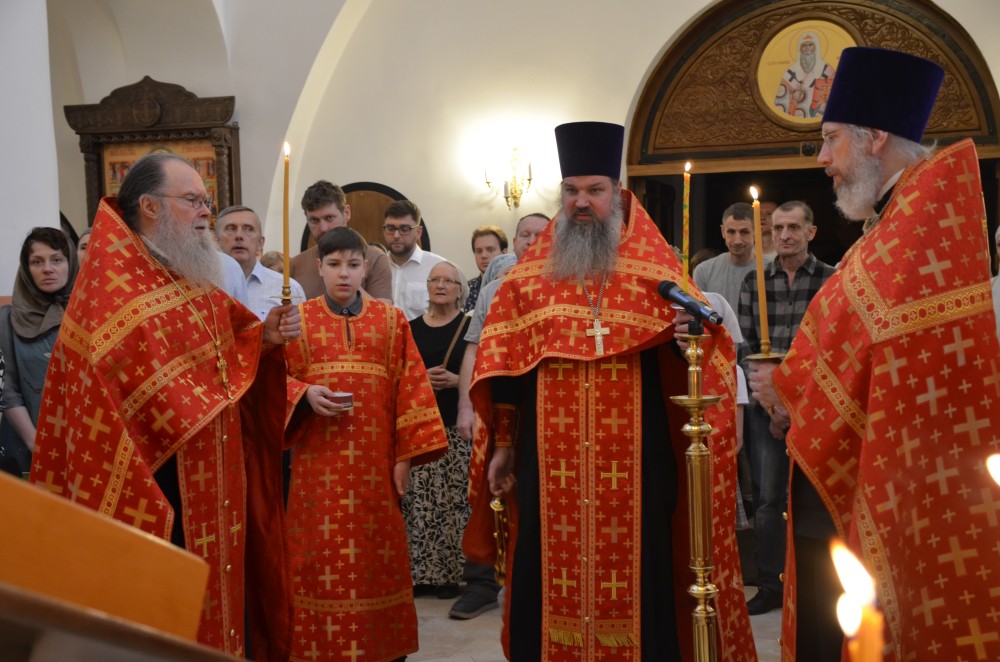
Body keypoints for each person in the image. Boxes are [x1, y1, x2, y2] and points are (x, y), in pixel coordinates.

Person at [466, 121, 755, 660]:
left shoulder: (656, 268)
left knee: (645, 560)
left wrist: (687, 340)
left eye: (594, 190)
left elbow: (702, 350)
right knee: (545, 561)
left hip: (639, 458)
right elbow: (506, 369)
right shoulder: (530, 279)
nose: (581, 202)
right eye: (571, 190)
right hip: (548, 461)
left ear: (617, 194)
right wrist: (503, 442)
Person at [749, 47, 1000, 662]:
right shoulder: (892, 227)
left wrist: (791, 389)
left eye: (830, 139)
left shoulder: (921, 229)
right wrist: (790, 388)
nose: (822, 159)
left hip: (879, 483)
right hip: (839, 472)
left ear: (876, 137)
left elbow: (891, 357)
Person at [29, 152, 299, 658]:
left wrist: (264, 338)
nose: (206, 212)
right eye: (193, 200)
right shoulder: (112, 292)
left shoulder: (184, 273)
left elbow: (222, 352)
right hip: (158, 487)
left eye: (206, 200)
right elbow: (105, 403)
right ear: (150, 207)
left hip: (215, 476)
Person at [283, 226, 448, 661]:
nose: (344, 274)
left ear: (365, 268)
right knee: (317, 558)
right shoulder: (298, 321)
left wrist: (405, 458)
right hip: (317, 470)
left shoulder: (391, 321)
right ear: (319, 267)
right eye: (334, 264)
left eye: (353, 265)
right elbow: (274, 383)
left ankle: (383, 650)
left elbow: (410, 388)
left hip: (376, 469)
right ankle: (320, 650)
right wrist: (303, 394)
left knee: (378, 558)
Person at [736, 200, 835, 615]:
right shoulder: (755, 281)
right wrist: (772, 404)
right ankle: (771, 583)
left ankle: (815, 582)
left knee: (815, 495)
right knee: (767, 497)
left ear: (811, 231)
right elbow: (746, 348)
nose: (784, 235)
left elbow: (832, 349)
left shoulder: (831, 279)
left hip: (815, 408)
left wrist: (794, 405)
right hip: (765, 408)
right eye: (777, 228)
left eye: (793, 227)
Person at [450, 214, 548, 621]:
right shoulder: (493, 289)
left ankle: (539, 579)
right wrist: (466, 405)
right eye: (524, 234)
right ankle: (482, 582)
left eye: (540, 234)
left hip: (546, 405)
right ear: (515, 242)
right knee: (486, 488)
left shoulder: (565, 282)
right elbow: (474, 347)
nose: (531, 241)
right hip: (499, 402)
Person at [401, 260, 472, 599]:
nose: (441, 285)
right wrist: (421, 379)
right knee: (420, 504)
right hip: (421, 427)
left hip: (457, 428)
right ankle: (420, 575)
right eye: (435, 280)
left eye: (449, 281)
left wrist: (459, 381)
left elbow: (482, 371)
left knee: (453, 503)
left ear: (460, 290)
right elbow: (399, 373)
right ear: (427, 286)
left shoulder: (469, 328)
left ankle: (450, 576)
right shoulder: (410, 328)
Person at [0, 227, 78, 477]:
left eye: (57, 259)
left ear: (71, 263)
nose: (47, 269)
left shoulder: (90, 314)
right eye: (37, 262)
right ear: (26, 268)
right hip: (30, 447)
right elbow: (7, 389)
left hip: (88, 444)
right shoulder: (7, 320)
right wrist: (36, 443)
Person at [289, 179, 393, 303]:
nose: (323, 228)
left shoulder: (375, 259)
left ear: (346, 213)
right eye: (314, 220)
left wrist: (349, 284)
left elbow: (383, 313)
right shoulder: (296, 265)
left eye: (329, 218)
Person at [215, 204, 306, 322]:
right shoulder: (202, 287)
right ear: (216, 241)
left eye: (248, 229)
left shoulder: (288, 288)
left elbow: (302, 331)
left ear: (260, 243)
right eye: (231, 229)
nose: (239, 236)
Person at [693, 202, 764, 312]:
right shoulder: (704, 271)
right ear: (723, 231)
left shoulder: (772, 271)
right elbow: (698, 314)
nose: (737, 240)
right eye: (731, 232)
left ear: (758, 232)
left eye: (744, 232)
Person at [383, 200, 445, 320]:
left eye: (404, 229)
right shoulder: (375, 267)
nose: (396, 235)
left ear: (418, 232)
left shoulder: (438, 267)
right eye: (390, 228)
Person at [774, 31, 835, 119]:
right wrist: (795, 99)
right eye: (804, 46)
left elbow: (835, 99)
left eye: (810, 45)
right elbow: (780, 107)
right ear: (799, 49)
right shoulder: (789, 73)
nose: (807, 49)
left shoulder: (828, 71)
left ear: (816, 48)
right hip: (796, 122)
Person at [463, 225, 508, 312]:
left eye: (490, 250)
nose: (483, 256)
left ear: (504, 252)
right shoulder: (466, 290)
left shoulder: (514, 285)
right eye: (479, 251)